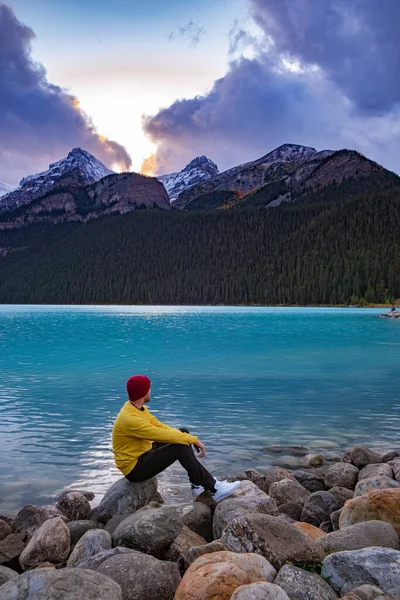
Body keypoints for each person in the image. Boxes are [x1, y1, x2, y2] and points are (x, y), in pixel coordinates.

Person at [112, 374, 241, 502]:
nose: (150, 390)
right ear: (143, 392)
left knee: (183, 432)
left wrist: (187, 436)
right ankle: (214, 488)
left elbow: (159, 425)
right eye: (149, 388)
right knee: (179, 446)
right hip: (135, 468)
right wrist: (193, 440)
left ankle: (197, 483)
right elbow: (161, 434)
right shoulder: (130, 420)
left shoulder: (135, 408)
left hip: (143, 453)